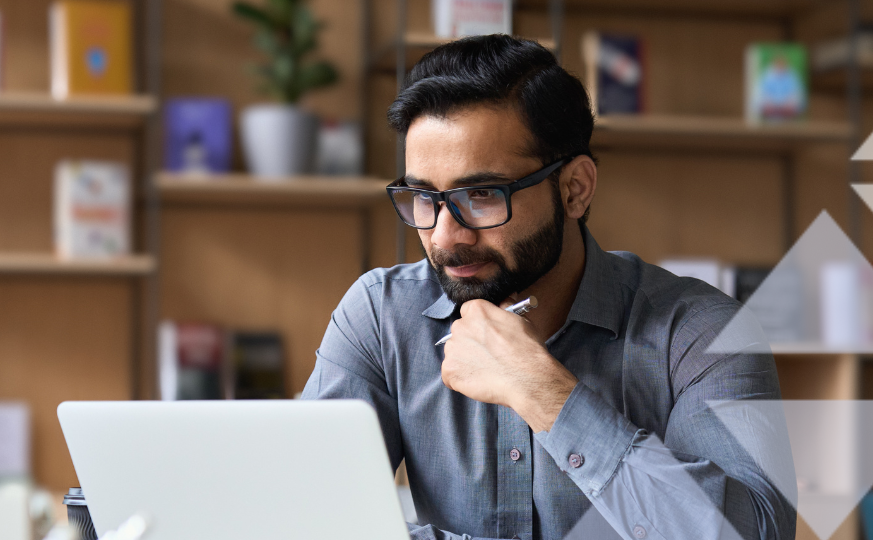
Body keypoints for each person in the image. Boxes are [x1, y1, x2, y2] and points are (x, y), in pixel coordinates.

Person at [302, 34, 796, 540]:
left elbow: (756, 534)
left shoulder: (701, 330)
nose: (446, 236)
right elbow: (301, 517)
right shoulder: (381, 315)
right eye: (422, 197)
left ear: (575, 189)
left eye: (482, 195)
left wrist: (548, 395)